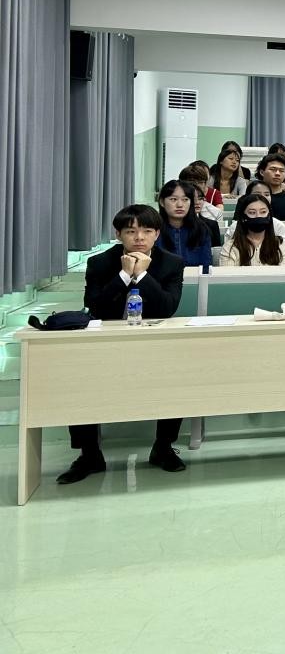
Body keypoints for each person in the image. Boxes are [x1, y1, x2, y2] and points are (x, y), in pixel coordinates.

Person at [59, 205, 186, 484]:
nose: (139, 237)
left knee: (177, 374)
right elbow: (95, 307)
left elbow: (167, 308)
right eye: (131, 231)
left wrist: (142, 276)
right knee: (78, 377)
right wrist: (124, 276)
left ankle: (163, 447)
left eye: (147, 231)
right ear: (118, 234)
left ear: (157, 234)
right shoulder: (100, 263)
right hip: (107, 341)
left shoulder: (172, 263)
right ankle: (89, 454)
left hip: (153, 341)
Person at [220, 193, 285, 266]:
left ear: (269, 215)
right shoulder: (230, 247)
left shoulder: (281, 245)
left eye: (263, 212)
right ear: (243, 217)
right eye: (252, 213)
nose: (258, 216)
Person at [156, 179, 213, 268]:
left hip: (195, 277)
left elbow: (206, 266)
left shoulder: (201, 229)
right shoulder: (153, 229)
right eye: (173, 199)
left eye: (185, 199)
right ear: (162, 202)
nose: (180, 205)